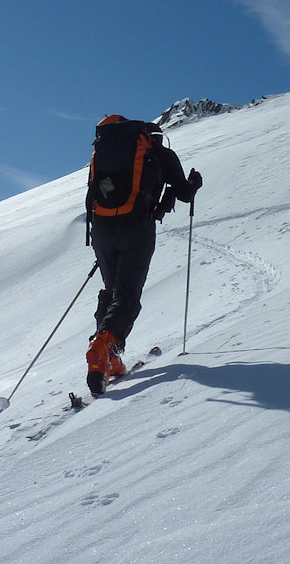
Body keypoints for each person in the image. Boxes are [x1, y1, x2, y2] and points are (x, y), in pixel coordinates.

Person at [84, 115, 202, 395]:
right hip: (136, 229)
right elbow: (185, 193)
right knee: (127, 296)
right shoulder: (161, 153)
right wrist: (194, 183)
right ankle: (102, 346)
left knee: (111, 290)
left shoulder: (103, 155)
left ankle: (108, 358)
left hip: (101, 229)